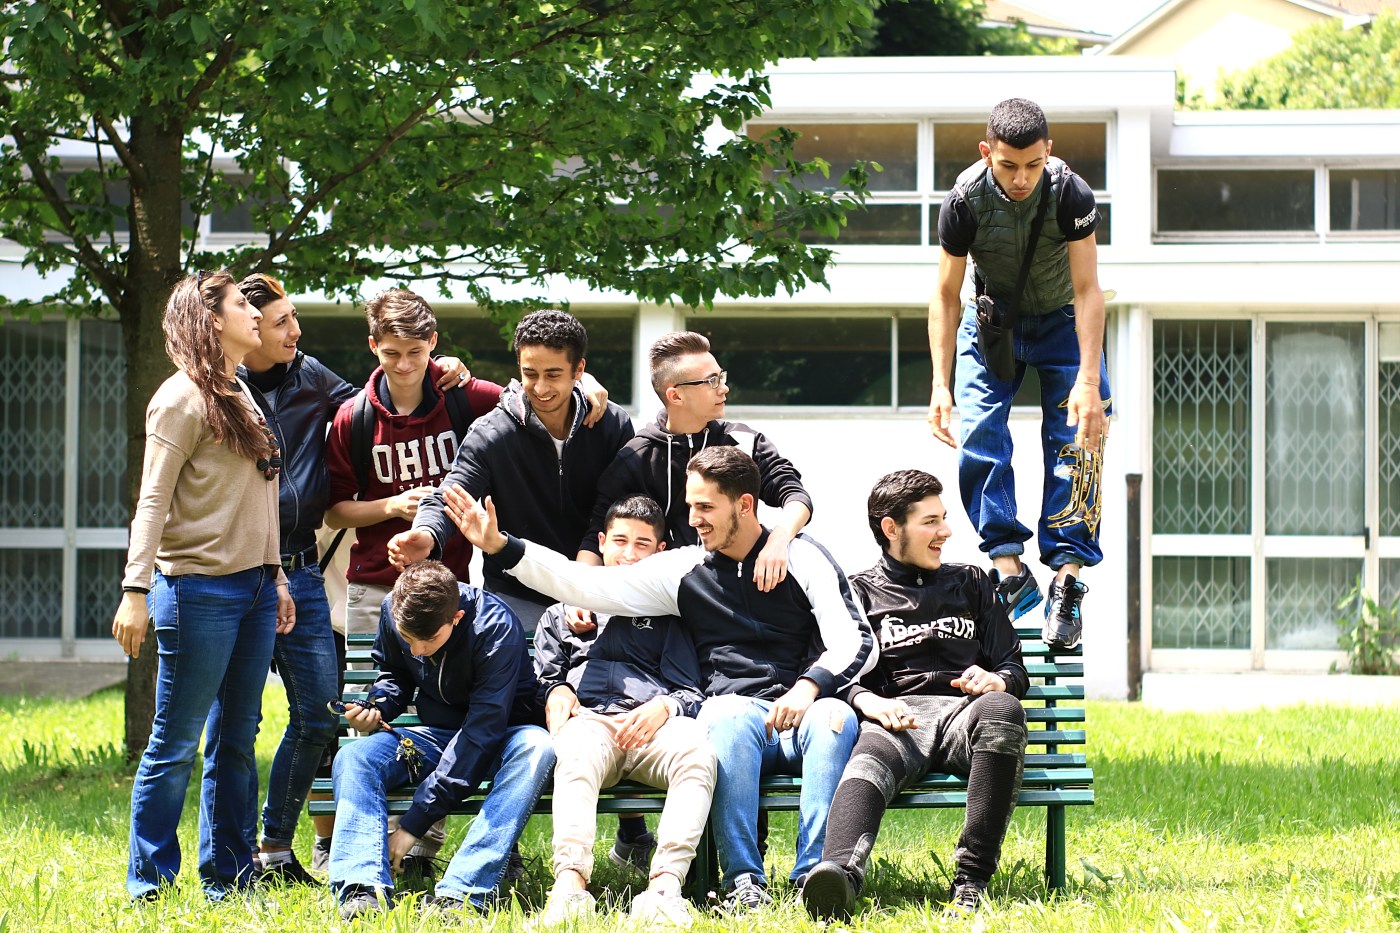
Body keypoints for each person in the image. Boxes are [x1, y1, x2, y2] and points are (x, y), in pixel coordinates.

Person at [440, 446, 877, 911]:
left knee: (834, 717)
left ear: (745, 505)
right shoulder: (683, 570)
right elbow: (586, 584)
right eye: (690, 506)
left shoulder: (803, 557)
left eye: (705, 507)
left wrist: (809, 688)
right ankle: (744, 882)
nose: (693, 519)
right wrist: (502, 547)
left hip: (804, 707)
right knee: (727, 717)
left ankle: (816, 876)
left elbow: (857, 641)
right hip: (734, 714)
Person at [235, 274, 470, 880]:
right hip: (309, 579)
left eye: (416, 352)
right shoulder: (222, 389)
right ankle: (313, 843)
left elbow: (531, 400)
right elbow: (334, 507)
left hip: (432, 579)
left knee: (420, 716)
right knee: (334, 713)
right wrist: (391, 506)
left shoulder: (323, 381)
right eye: (282, 321)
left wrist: (449, 368)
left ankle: (410, 846)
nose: (405, 364)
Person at [112, 270, 295, 900]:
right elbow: (152, 500)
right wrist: (135, 591)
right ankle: (150, 884)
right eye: (243, 304)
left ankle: (230, 876)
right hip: (196, 592)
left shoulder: (241, 391)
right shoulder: (180, 398)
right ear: (211, 319)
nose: (256, 313)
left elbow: (261, 498)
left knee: (238, 741)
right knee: (176, 742)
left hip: (253, 592)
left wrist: (276, 576)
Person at [801, 470, 1028, 919]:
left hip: (967, 715)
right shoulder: (858, 592)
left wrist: (996, 681)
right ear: (891, 528)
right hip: (897, 719)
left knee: (1003, 710)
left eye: (943, 518)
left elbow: (1013, 667)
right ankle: (837, 880)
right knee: (866, 764)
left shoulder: (972, 582)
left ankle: (971, 882)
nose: (946, 531)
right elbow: (828, 668)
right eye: (931, 521)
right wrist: (868, 701)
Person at [927, 97, 1111, 650]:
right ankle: (1010, 570)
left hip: (1063, 320)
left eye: (1034, 164)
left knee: (1080, 440)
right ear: (987, 153)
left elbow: (1088, 290)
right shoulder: (964, 201)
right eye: (1009, 165)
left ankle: (1067, 582)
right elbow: (946, 294)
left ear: (1048, 151)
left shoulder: (1070, 194)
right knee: (979, 432)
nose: (1022, 178)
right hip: (994, 323)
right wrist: (940, 382)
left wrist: (1087, 381)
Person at [329, 560, 554, 919]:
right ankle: (362, 888)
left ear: (457, 617)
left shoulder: (495, 626)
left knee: (537, 747)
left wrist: (412, 826)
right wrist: (377, 706)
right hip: (437, 735)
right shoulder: (394, 608)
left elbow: (481, 733)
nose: (417, 650)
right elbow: (395, 673)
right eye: (408, 639)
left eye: (429, 640)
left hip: (502, 735)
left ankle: (462, 894)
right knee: (354, 757)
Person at [389, 310, 635, 632]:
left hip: (595, 586)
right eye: (530, 374)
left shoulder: (611, 425)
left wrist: (582, 586)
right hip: (517, 594)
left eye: (553, 375)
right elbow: (452, 493)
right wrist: (427, 534)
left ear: (579, 370)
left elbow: (614, 509)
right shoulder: (491, 433)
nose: (540, 387)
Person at [532, 495, 713, 928]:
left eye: (642, 544)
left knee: (697, 752)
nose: (629, 554)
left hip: (652, 730)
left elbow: (691, 690)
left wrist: (663, 707)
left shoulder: (668, 613)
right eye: (619, 541)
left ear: (661, 551)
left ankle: (665, 887)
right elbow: (540, 680)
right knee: (575, 750)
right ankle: (570, 886)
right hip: (589, 726)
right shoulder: (563, 612)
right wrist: (556, 691)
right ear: (601, 542)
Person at [579, 331, 813, 596]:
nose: (723, 387)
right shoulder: (635, 456)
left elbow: (795, 496)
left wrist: (778, 539)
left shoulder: (744, 442)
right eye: (712, 381)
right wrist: (579, 599)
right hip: (664, 599)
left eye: (721, 377)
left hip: (740, 593)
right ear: (676, 396)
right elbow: (597, 533)